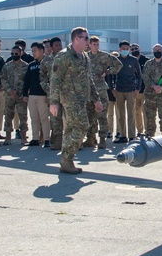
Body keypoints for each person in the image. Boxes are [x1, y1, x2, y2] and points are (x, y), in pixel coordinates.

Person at [49, 27, 102, 174]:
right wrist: (53, 102)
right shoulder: (64, 56)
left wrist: (96, 98)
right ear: (76, 39)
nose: (88, 41)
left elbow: (89, 79)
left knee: (71, 129)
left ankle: (66, 161)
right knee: (83, 125)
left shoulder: (84, 56)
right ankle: (67, 158)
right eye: (85, 38)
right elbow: (55, 79)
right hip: (70, 99)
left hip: (82, 99)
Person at [87, 35, 122, 149]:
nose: (96, 46)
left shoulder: (104, 56)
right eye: (94, 44)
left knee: (102, 115)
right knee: (90, 115)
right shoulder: (85, 56)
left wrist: (107, 72)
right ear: (89, 45)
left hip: (101, 89)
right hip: (89, 90)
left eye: (97, 44)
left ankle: (102, 139)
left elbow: (118, 65)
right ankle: (91, 138)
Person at [142, 43, 162, 136]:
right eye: (156, 50)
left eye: (159, 50)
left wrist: (161, 86)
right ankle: (150, 135)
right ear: (153, 52)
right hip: (150, 95)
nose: (157, 52)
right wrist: (153, 86)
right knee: (150, 117)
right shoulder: (148, 64)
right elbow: (145, 77)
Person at [0, 44, 29, 145]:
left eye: (16, 53)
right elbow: (2, 79)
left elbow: (28, 82)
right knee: (8, 116)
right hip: (9, 96)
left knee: (23, 117)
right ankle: (8, 137)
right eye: (12, 53)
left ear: (20, 53)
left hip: (21, 97)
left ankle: (23, 137)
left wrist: (23, 93)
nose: (14, 55)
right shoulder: (7, 66)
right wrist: (9, 90)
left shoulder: (26, 66)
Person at [113, 40, 142, 142]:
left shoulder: (133, 60)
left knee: (131, 114)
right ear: (119, 49)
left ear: (129, 49)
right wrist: (113, 88)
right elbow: (111, 75)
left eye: (127, 49)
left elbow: (139, 75)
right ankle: (122, 135)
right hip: (119, 90)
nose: (125, 50)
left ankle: (132, 136)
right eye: (123, 49)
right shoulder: (116, 60)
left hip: (131, 90)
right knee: (120, 114)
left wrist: (137, 88)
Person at [24, 42, 51, 147]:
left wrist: (49, 95)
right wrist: (25, 93)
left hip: (43, 95)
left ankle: (46, 139)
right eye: (32, 51)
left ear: (41, 50)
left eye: (35, 50)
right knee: (34, 118)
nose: (33, 53)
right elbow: (27, 81)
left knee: (44, 118)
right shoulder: (31, 65)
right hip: (32, 95)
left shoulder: (48, 63)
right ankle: (35, 138)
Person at [41, 37, 63, 150]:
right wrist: (47, 88)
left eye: (60, 45)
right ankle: (58, 139)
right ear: (51, 47)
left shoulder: (68, 58)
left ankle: (71, 142)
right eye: (56, 45)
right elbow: (42, 77)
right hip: (53, 94)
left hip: (68, 93)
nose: (59, 47)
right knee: (55, 118)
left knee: (70, 117)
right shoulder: (46, 61)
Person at [130, 43, 149, 135]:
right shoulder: (130, 61)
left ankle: (147, 130)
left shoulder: (146, 61)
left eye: (136, 48)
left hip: (145, 90)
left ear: (140, 49)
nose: (134, 50)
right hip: (134, 91)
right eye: (132, 49)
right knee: (136, 112)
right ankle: (140, 131)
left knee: (145, 111)